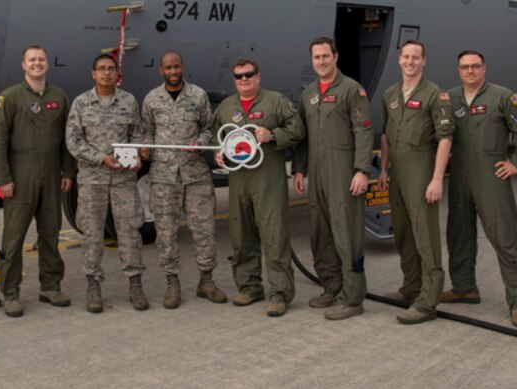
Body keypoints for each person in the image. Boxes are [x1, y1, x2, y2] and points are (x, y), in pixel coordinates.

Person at [442, 49, 517, 328]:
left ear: (484, 68)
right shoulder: (450, 98)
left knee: (505, 236)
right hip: (459, 174)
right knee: (458, 233)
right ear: (459, 70)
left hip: (491, 174)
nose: (470, 71)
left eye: (475, 66)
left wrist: (516, 162)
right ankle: (464, 288)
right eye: (465, 67)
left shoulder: (504, 97)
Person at [212, 58, 305, 317]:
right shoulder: (227, 107)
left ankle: (280, 293)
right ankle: (250, 286)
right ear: (234, 80)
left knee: (274, 235)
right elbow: (214, 135)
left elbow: (297, 129)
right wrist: (218, 153)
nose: (244, 80)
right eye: (239, 76)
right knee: (241, 234)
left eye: (249, 75)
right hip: (239, 178)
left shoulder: (276, 101)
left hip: (268, 177)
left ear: (258, 76)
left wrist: (272, 135)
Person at [0, 45, 76, 318]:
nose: (37, 64)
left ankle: (50, 286)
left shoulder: (59, 96)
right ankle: (11, 293)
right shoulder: (10, 97)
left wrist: (68, 172)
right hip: (20, 176)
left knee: (50, 234)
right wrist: (2, 178)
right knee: (13, 238)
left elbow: (67, 139)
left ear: (47, 64)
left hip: (51, 175)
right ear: (23, 65)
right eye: (32, 60)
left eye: (41, 59)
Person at [292, 37, 373, 320]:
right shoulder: (308, 94)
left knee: (346, 235)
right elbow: (302, 138)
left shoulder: (352, 90)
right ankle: (332, 287)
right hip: (317, 175)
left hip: (343, 173)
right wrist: (299, 169)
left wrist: (362, 170)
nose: (322, 62)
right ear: (312, 60)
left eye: (326, 56)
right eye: (316, 57)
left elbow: (364, 131)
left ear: (336, 56)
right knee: (321, 234)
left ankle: (353, 298)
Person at [140, 51, 226, 309]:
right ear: (161, 70)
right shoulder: (152, 99)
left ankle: (206, 282)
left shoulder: (198, 96)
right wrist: (145, 148)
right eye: (168, 68)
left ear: (183, 67)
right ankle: (172, 284)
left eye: (177, 67)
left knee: (205, 231)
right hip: (164, 177)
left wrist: (200, 142)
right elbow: (146, 132)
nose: (173, 71)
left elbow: (208, 129)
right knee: (166, 234)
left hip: (195, 174)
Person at [376, 40, 454, 325]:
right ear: (399, 60)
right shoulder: (391, 94)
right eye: (406, 57)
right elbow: (385, 134)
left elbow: (445, 138)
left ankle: (428, 300)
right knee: (404, 233)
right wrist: (383, 169)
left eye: (415, 57)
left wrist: (436, 179)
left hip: (421, 170)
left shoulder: (435, 95)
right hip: (396, 173)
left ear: (424, 61)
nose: (410, 61)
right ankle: (410, 287)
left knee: (425, 236)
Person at [66, 54, 148, 312]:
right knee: (92, 234)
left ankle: (135, 285)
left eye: (111, 69)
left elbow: (137, 134)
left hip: (123, 179)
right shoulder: (81, 103)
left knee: (130, 232)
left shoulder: (128, 101)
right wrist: (101, 158)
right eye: (101, 69)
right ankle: (93, 286)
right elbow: (74, 142)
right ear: (93, 74)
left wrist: (136, 156)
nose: (106, 73)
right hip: (93, 180)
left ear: (117, 73)